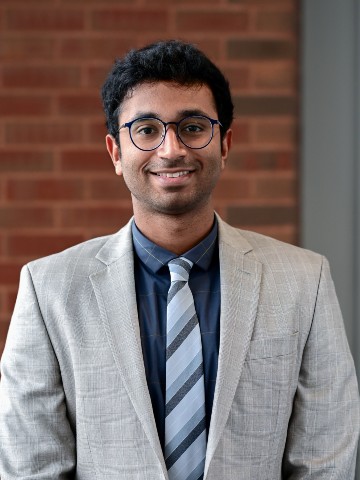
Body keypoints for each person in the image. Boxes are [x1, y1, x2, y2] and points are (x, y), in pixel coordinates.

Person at [0, 40, 358, 480]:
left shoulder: (306, 281)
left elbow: (326, 461)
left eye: (192, 127)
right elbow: (31, 464)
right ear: (115, 152)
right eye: (147, 129)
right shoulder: (48, 289)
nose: (171, 150)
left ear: (224, 144)